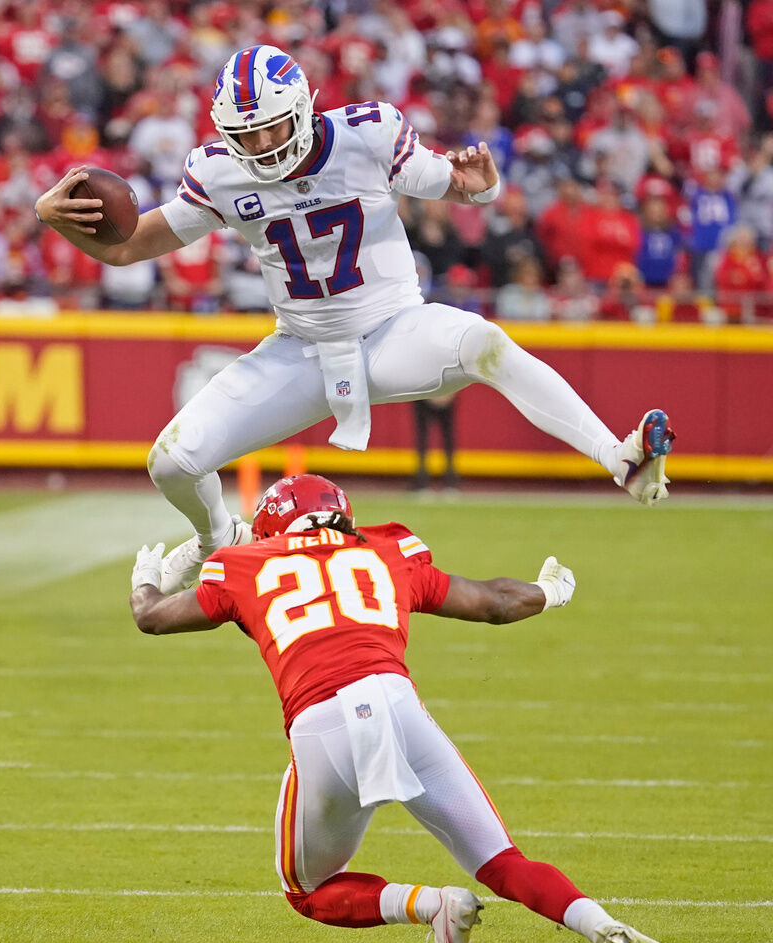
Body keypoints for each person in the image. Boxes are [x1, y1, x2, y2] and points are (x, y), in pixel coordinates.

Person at [35, 44, 675, 595]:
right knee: (171, 463)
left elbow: (457, 187)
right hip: (300, 349)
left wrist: (478, 183)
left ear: (305, 109)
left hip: (393, 329)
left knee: (486, 344)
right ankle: (215, 539)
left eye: (270, 127)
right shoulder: (220, 173)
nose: (259, 145)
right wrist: (54, 216)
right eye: (246, 134)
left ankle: (619, 459)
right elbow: (126, 247)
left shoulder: (367, 134)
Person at [129, 473, 706, 943]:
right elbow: (495, 603)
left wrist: (149, 579)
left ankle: (432, 904)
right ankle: (603, 927)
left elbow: (153, 618)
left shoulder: (247, 566)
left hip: (324, 721)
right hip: (399, 706)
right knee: (504, 862)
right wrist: (549, 593)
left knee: (308, 891)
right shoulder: (385, 551)